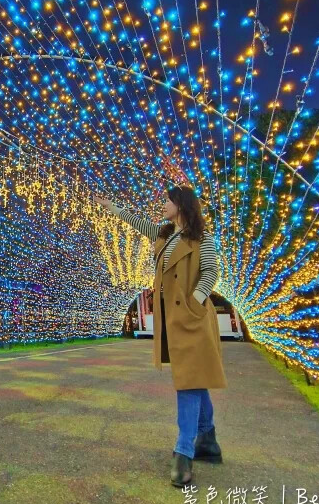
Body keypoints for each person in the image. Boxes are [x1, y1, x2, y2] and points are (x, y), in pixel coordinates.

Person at [94, 186, 227, 488]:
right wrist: (111, 206)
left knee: (188, 380)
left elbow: (211, 272)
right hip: (172, 318)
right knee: (193, 377)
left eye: (168, 200)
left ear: (180, 205)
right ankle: (208, 440)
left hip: (191, 318)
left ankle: (184, 452)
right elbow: (137, 223)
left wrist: (194, 301)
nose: (163, 204)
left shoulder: (202, 238)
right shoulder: (165, 235)